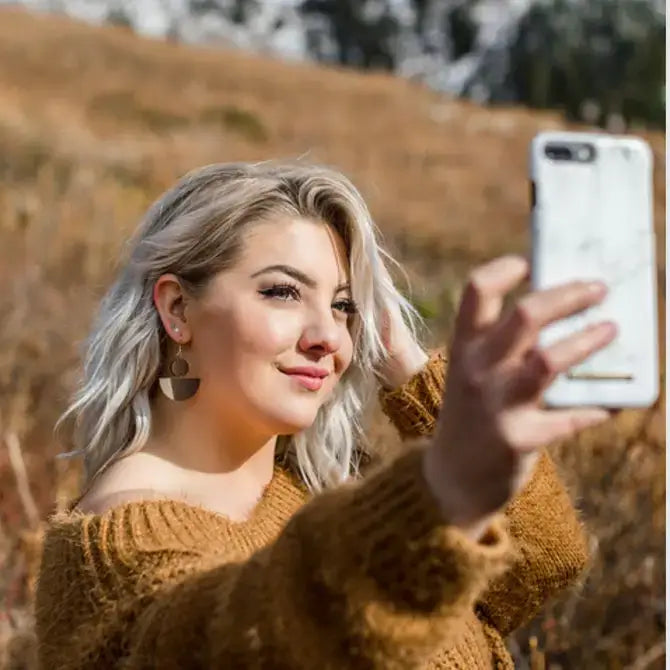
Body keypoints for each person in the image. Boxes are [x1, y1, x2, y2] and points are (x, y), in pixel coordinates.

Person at [35, 160, 616, 669]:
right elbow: (245, 642)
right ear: (177, 307)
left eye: (342, 305)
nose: (327, 337)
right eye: (283, 292)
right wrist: (441, 494)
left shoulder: (324, 484)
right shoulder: (117, 544)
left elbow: (543, 561)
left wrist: (409, 367)